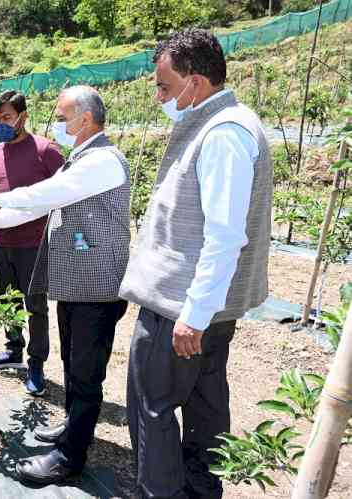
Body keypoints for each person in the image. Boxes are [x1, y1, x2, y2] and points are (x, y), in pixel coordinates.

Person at [119, 29, 272, 499]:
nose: (159, 96)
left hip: (179, 308)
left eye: (165, 86)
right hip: (204, 305)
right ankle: (200, 489)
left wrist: (193, 314)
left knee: (154, 407)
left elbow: (224, 236)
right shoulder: (230, 123)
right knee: (206, 403)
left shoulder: (223, 135)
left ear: (197, 82)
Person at [0, 85, 131, 484]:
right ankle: (74, 424)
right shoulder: (80, 160)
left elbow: (44, 193)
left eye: (61, 116)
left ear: (84, 119)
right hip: (76, 284)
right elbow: (38, 206)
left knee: (87, 373)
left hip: (98, 286)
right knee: (74, 365)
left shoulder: (103, 161)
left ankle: (69, 457)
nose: (56, 124)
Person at [0, 90, 65, 397]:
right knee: (7, 300)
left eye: (7, 118)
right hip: (1, 242)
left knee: (34, 306)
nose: (1, 124)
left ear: (24, 116)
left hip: (35, 246)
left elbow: (67, 193)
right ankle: (13, 349)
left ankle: (36, 362)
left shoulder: (46, 151)